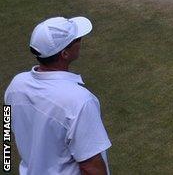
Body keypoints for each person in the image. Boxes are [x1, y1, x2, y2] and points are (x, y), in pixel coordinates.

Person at [4, 16, 111, 175]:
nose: (80, 41)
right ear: (65, 54)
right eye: (77, 39)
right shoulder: (80, 101)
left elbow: (9, 127)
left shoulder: (16, 85)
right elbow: (91, 167)